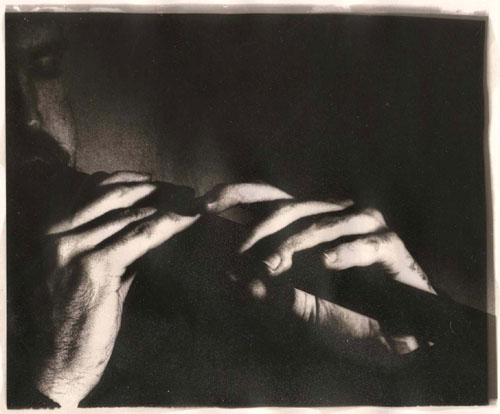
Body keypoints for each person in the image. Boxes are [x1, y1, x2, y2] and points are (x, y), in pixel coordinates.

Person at [6, 13, 488, 408]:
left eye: (44, 65)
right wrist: (56, 388)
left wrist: (415, 354)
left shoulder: (174, 308)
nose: (27, 116)